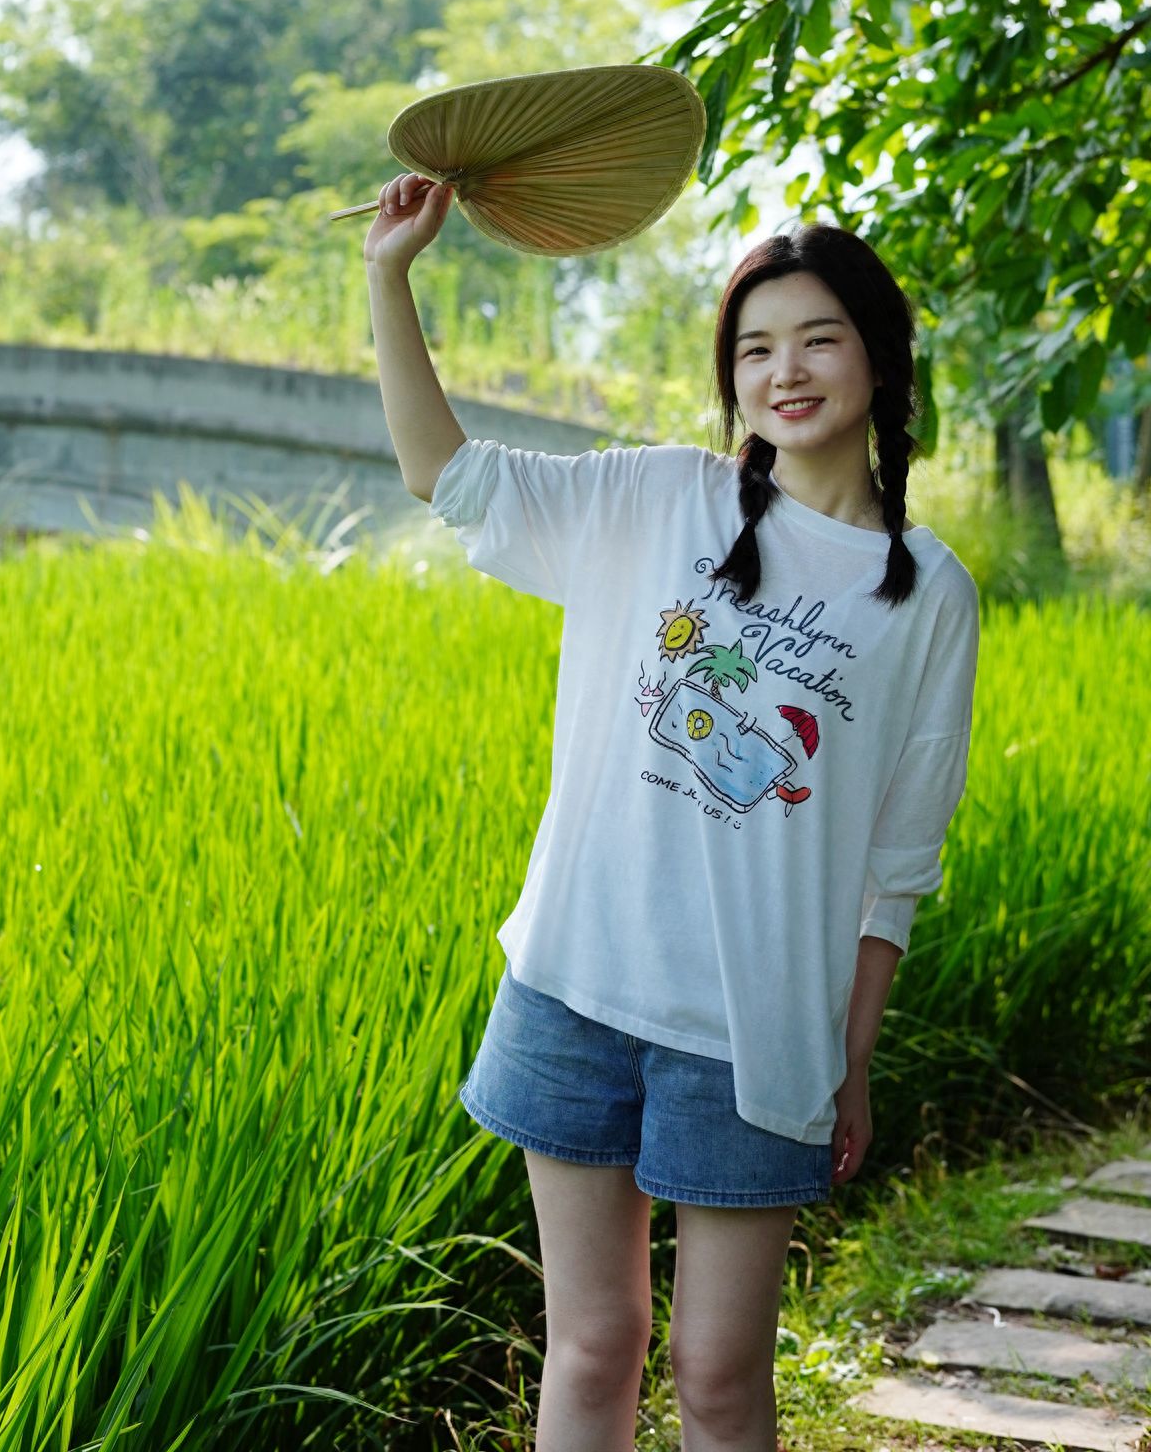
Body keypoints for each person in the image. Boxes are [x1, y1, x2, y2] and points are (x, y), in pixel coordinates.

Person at [364, 170, 980, 1452]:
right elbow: (444, 473)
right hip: (573, 991)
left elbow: (895, 864)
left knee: (716, 1376)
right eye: (754, 348)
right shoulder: (652, 500)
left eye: (817, 338)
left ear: (877, 355)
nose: (785, 371)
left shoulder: (927, 595)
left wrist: (851, 1057)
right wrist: (390, 275)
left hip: (753, 1037)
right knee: (590, 1349)